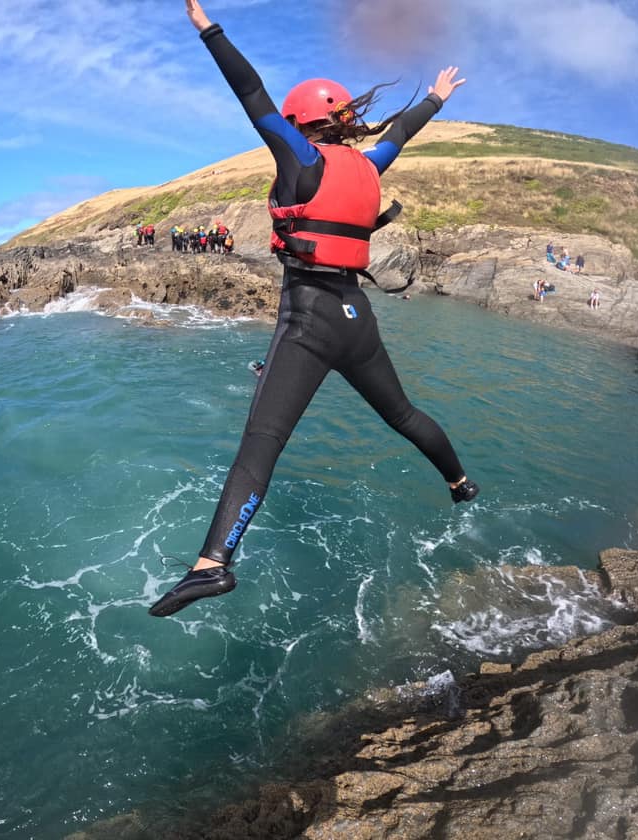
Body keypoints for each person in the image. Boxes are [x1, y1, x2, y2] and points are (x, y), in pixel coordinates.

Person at [149, 0, 479, 618]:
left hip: (308, 322)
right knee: (404, 414)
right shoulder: (370, 164)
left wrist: (207, 29)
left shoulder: (299, 158)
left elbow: (250, 92)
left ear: (301, 124)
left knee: (262, 441)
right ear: (346, 120)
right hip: (358, 317)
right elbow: (400, 133)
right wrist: (435, 99)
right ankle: (461, 483)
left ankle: (211, 565)